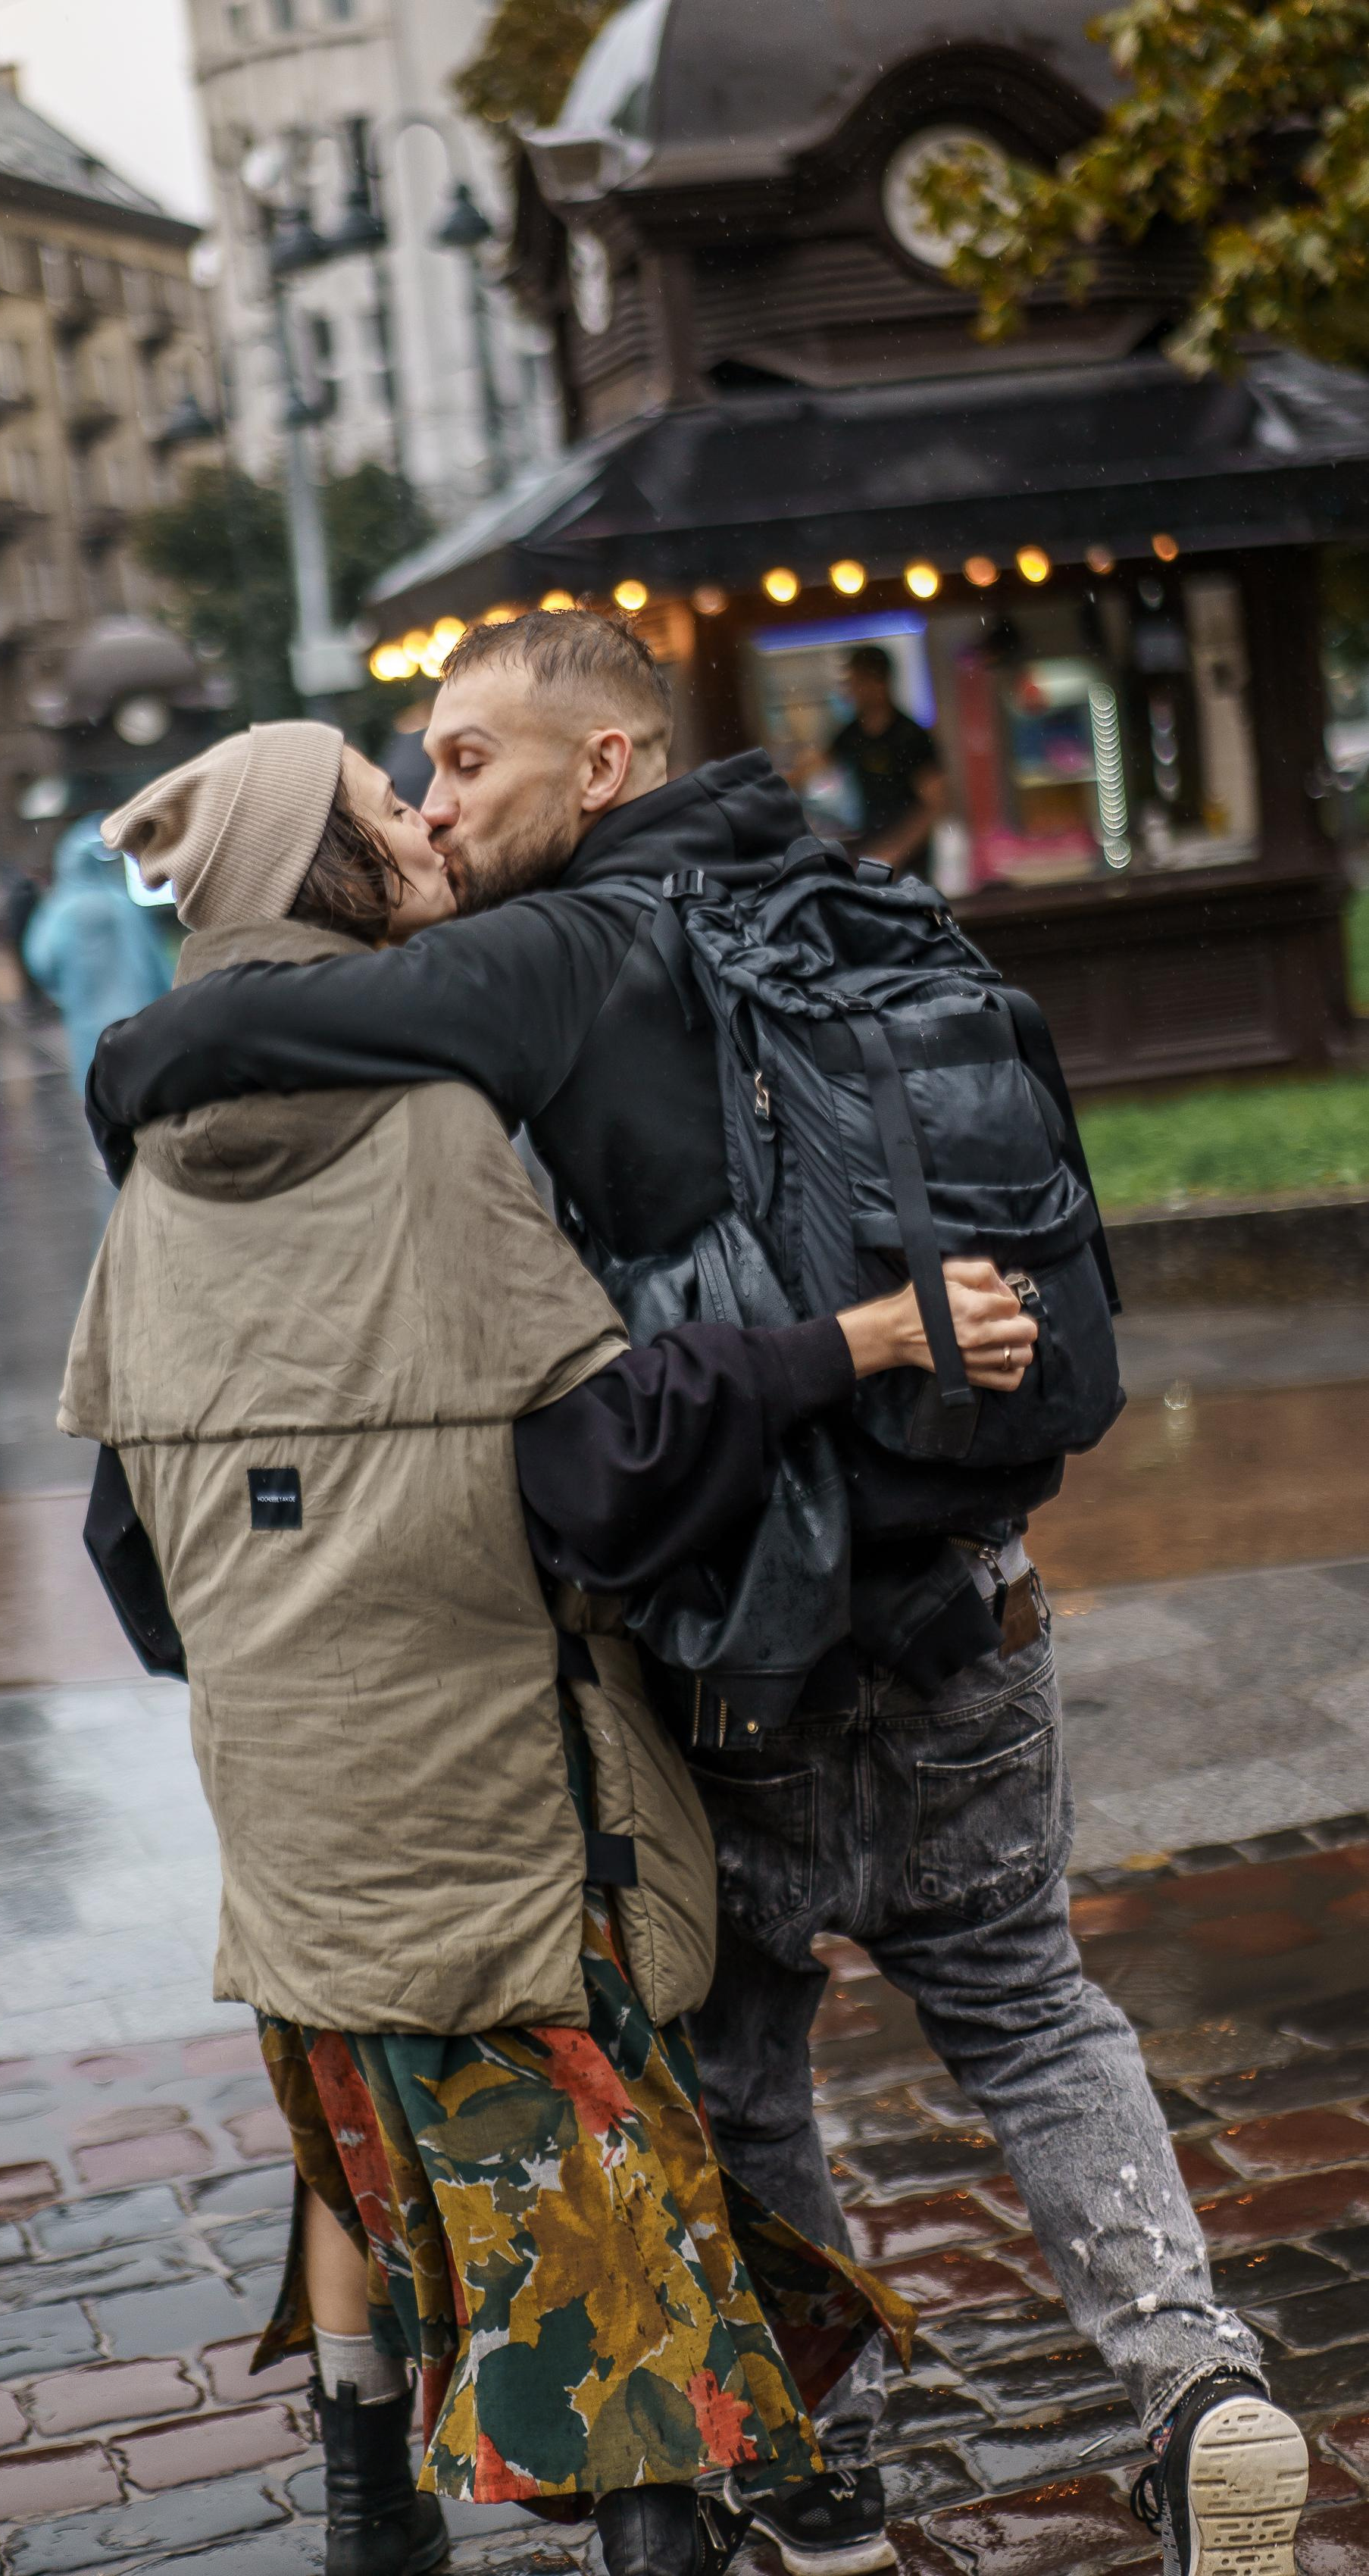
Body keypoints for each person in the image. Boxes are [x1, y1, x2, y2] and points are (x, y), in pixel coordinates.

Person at [85, 617, 1310, 2576]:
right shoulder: (860, 903)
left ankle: (815, 2473)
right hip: (964, 1599)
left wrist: (120, 1068)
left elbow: (240, 1036)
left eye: (467, 760)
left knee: (736, 2057)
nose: (434, 803)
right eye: (415, 770)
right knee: (1028, 2012)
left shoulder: (573, 951)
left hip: (744, 1648)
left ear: (605, 765)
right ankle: (1195, 2383)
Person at [22, 814, 173, 1096]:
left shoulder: (60, 910)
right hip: (140, 1014)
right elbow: (155, 959)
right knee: (146, 1090)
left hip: (89, 1023)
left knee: (102, 1090)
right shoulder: (123, 904)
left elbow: (41, 960)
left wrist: (64, 989)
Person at [806, 644, 946, 880]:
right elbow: (813, 766)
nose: (850, 691)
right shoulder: (853, 734)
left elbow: (935, 804)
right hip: (871, 851)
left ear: (878, 682)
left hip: (910, 861)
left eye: (856, 682)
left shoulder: (911, 736)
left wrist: (895, 851)